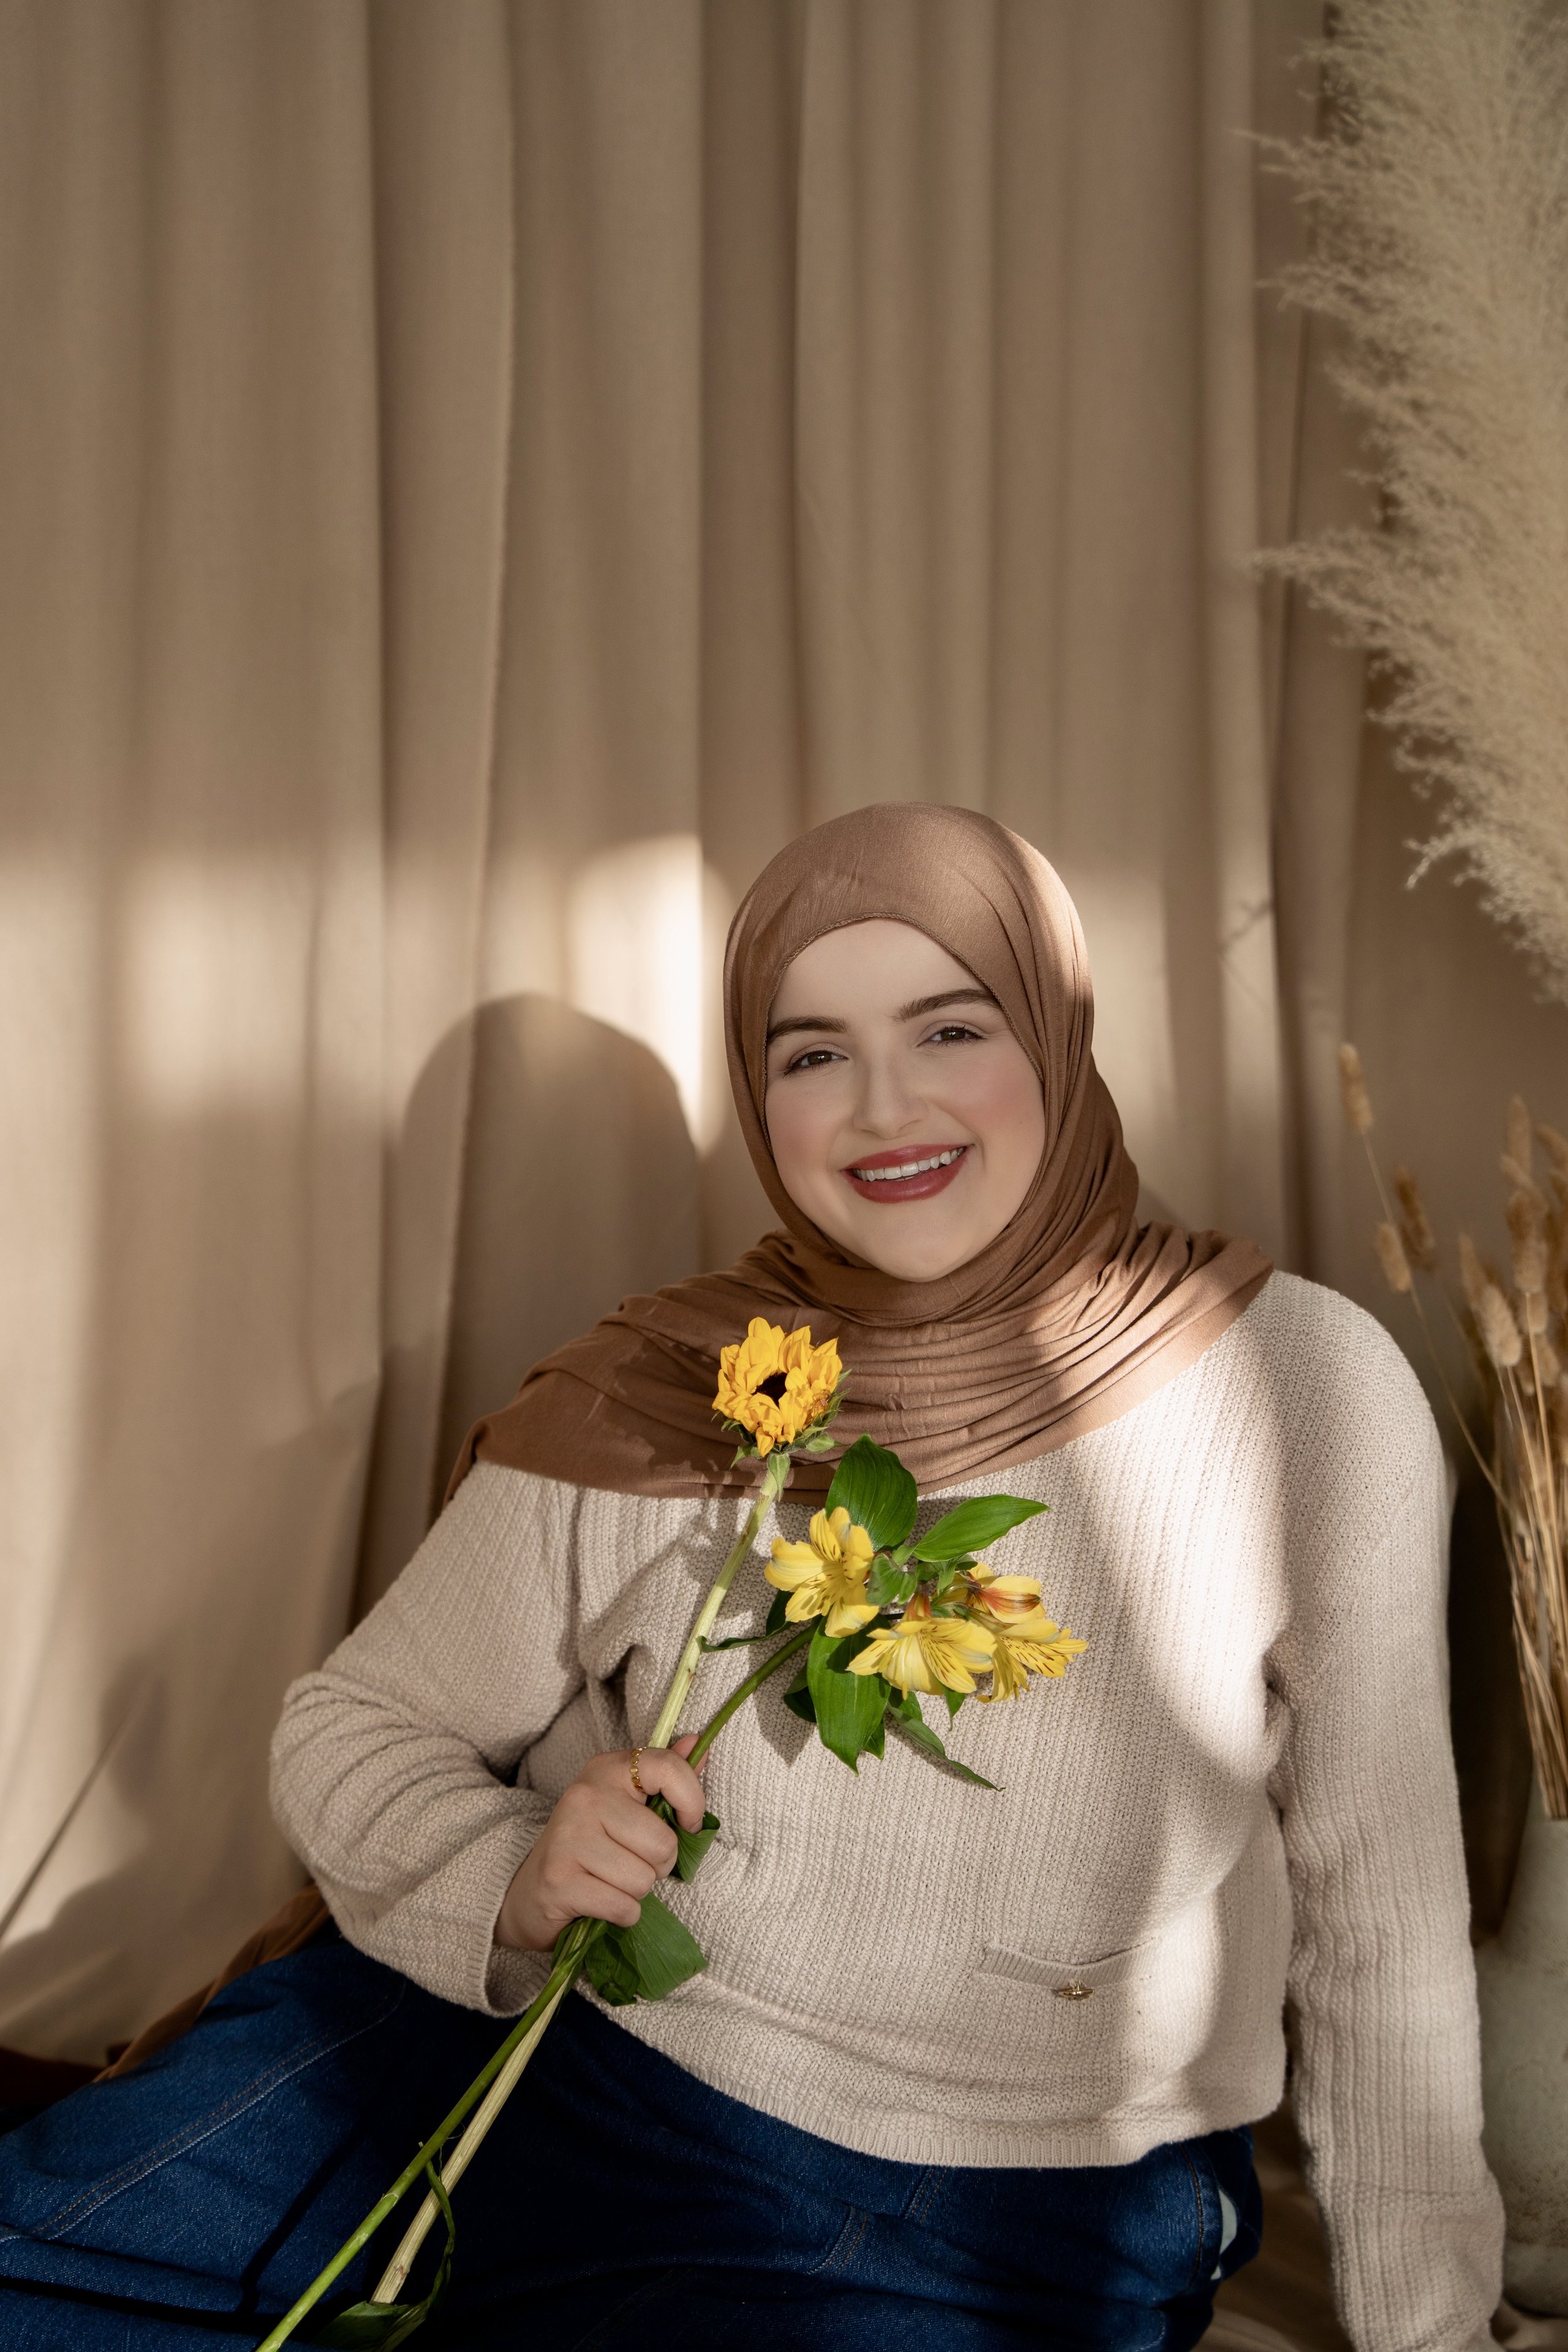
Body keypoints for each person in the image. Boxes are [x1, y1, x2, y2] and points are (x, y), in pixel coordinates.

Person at [0, 805, 1502, 2350]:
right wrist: (506, 1877)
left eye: (948, 1027)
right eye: (809, 1054)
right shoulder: (677, 1383)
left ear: (1057, 1035)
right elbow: (359, 1724)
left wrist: (1430, 2335)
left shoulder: (1300, 1391)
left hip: (990, 2202)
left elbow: (1375, 1913)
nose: (883, 1106)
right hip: (530, 2050)